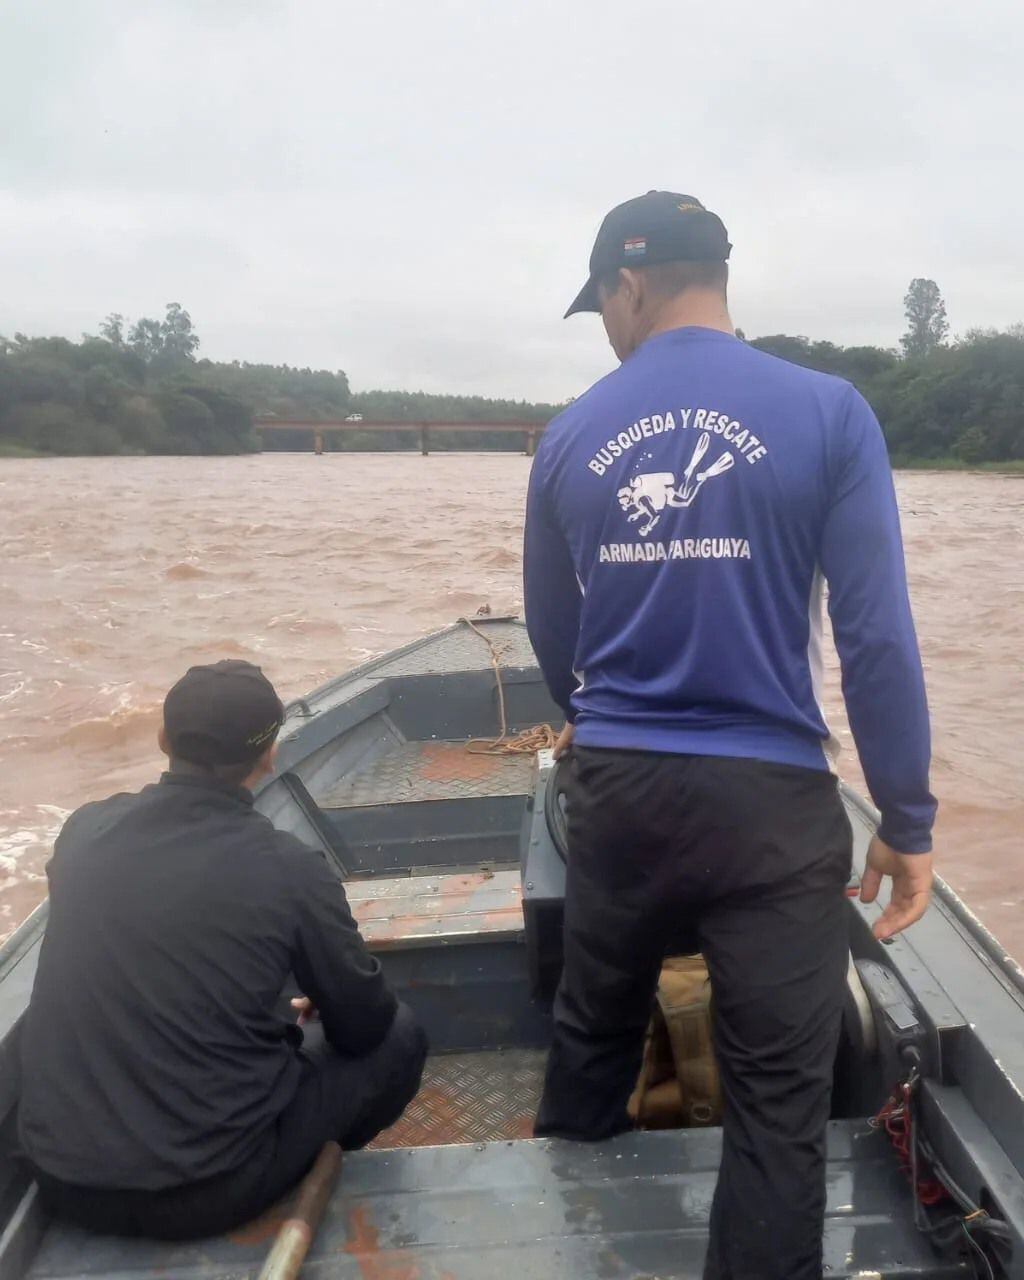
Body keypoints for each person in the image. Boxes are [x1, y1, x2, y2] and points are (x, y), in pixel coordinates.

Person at [523, 191, 936, 1280]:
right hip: (771, 808)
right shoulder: (831, 411)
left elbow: (553, 637)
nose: (605, 328)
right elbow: (875, 639)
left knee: (592, 1029)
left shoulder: (570, 432)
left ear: (629, 283)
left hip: (616, 796)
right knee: (776, 1106)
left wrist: (608, 726)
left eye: (601, 304)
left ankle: (562, 1226)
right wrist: (905, 814)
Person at [18, 659, 426, 1240]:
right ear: (270, 755)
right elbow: (365, 1027)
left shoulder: (83, 832)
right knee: (401, 1035)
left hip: (62, 1178)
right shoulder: (290, 870)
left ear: (163, 741)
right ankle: (299, 1159)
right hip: (209, 1189)